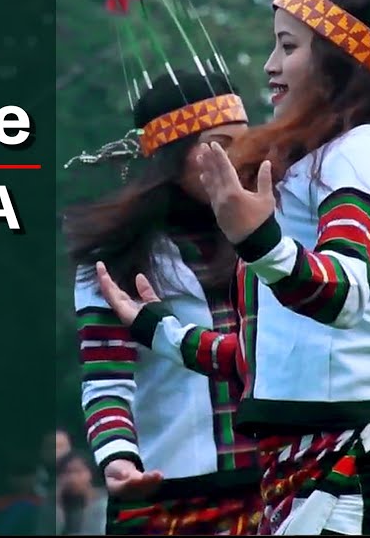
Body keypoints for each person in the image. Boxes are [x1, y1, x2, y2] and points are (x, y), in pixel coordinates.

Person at [96, 0, 370, 536]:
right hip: (325, 467)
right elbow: (271, 356)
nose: (269, 66)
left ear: (340, 61)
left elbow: (342, 292)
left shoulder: (362, 155)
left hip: (363, 471)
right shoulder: (325, 160)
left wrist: (257, 238)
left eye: (287, 47)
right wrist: (160, 331)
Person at [66, 68, 264, 536]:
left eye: (245, 142)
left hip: (269, 491)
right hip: (164, 497)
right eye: (219, 143)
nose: (238, 159)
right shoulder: (115, 257)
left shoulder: (272, 240)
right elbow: (107, 380)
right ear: (172, 156)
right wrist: (117, 457)